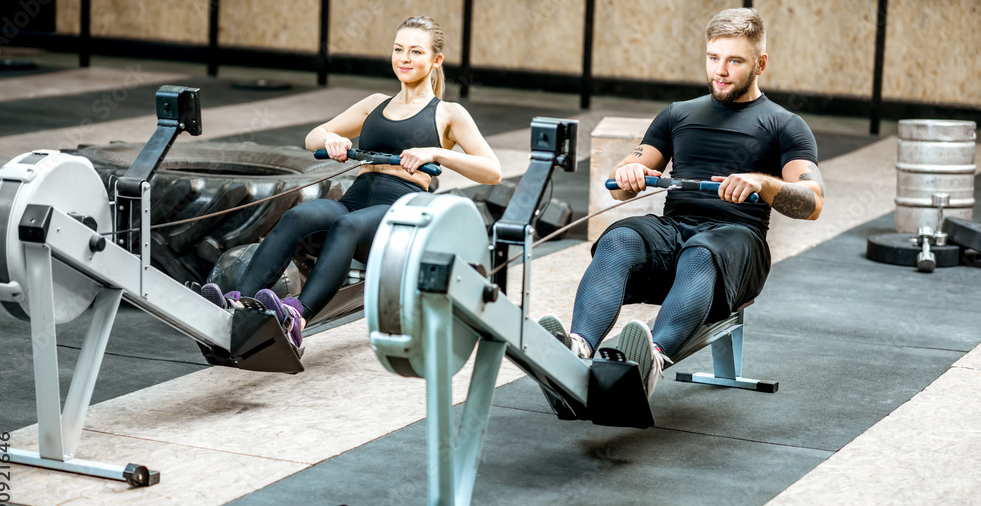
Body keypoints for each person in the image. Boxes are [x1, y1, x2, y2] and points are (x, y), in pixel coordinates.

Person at [540, 7, 824, 398]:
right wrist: (628, 174)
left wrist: (761, 183)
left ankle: (649, 361)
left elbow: (812, 202)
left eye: (734, 61)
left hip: (738, 242)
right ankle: (576, 349)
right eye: (713, 58)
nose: (720, 71)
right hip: (675, 231)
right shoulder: (678, 114)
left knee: (702, 251)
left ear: (761, 64)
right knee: (620, 235)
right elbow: (621, 185)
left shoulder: (784, 125)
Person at [201, 15, 501, 347]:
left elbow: (492, 170)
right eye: (399, 49)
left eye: (416, 52)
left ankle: (295, 316)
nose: (404, 58)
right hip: (355, 201)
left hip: (399, 212)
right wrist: (331, 139)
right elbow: (312, 137)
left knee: (347, 226)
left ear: (435, 61)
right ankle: (238, 302)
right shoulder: (375, 104)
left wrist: (437, 153)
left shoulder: (448, 113)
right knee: (299, 215)